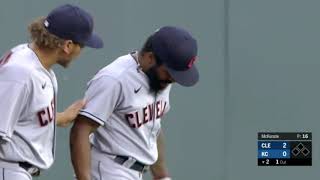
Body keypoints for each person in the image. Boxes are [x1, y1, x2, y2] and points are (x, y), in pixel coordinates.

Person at [70, 26, 199, 180]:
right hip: (109, 169)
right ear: (150, 57)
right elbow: (81, 129)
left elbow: (152, 128)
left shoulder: (159, 79)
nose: (173, 79)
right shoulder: (115, 79)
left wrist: (161, 175)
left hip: (134, 171)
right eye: (170, 73)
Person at [0, 4, 103, 180]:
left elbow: (20, 115)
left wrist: (60, 117)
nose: (81, 52)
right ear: (68, 45)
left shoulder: (34, 62)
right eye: (82, 46)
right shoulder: (21, 72)